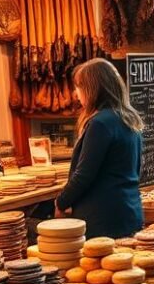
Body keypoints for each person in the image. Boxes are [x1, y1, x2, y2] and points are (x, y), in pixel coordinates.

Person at [54, 58, 145, 238]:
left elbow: (84, 174)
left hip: (102, 217)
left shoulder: (100, 123)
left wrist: (61, 202)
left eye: (79, 87)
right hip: (129, 209)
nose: (76, 93)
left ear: (92, 89)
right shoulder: (129, 118)